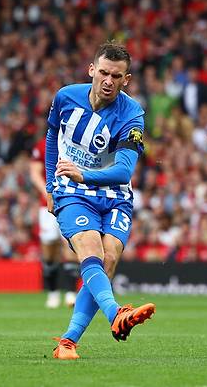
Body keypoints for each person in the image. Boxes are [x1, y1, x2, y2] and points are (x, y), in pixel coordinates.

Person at [48, 42, 155, 360]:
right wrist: (51, 187)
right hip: (72, 191)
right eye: (104, 72)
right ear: (92, 70)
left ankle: (67, 342)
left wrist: (83, 173)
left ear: (127, 79)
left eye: (117, 76)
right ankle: (115, 315)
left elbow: (123, 170)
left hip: (115, 195)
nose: (109, 80)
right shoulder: (65, 97)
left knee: (108, 261)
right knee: (91, 249)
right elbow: (53, 135)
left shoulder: (132, 113)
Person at [30, 135, 79, 309]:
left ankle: (71, 293)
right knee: (49, 248)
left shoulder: (76, 142)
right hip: (47, 205)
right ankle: (52, 292)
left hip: (71, 201)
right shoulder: (43, 144)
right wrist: (47, 192)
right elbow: (34, 172)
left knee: (70, 245)